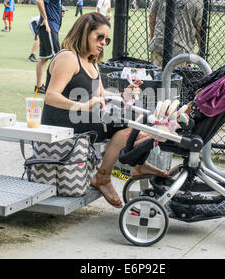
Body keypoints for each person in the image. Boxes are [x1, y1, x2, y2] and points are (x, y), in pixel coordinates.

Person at [41, 12, 172, 208]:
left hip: (84, 118)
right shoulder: (68, 57)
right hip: (64, 121)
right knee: (131, 125)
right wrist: (82, 105)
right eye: (99, 36)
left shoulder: (91, 61)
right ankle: (104, 176)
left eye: (106, 39)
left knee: (140, 120)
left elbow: (101, 94)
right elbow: (50, 96)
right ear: (84, 33)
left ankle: (135, 166)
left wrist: (124, 95)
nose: (103, 42)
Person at [148, 0, 204, 67]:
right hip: (181, 51)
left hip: (159, 45)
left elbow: (152, 16)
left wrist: (153, 37)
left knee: (157, 78)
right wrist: (201, 49)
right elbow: (199, 28)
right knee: (177, 81)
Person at [34, 0, 68, 94]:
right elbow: (39, 0)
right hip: (49, 27)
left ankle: (39, 86)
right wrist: (46, 20)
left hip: (52, 26)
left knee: (43, 58)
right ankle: (54, 87)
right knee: (57, 57)